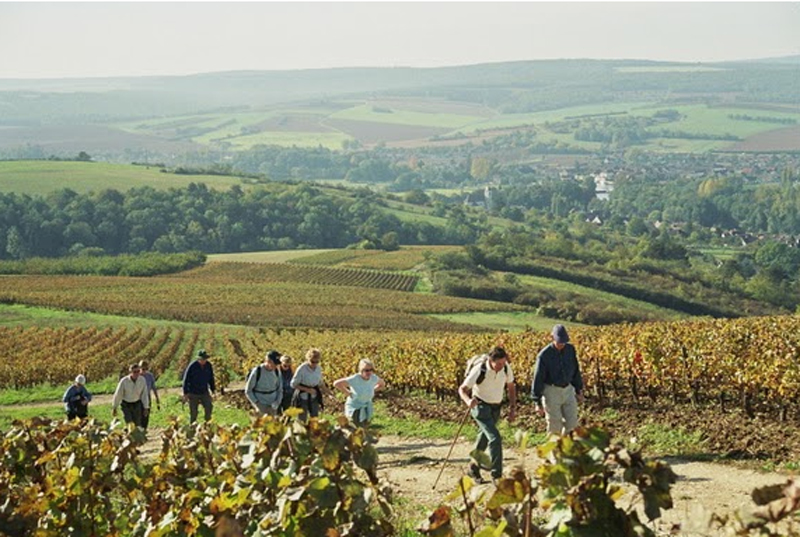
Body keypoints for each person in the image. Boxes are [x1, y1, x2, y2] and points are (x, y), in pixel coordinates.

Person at [459, 346, 516, 485]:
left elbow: (511, 386)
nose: (502, 366)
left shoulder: (506, 368)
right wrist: (468, 401)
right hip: (481, 407)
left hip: (496, 407)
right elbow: (462, 389)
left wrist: (512, 408)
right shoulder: (479, 369)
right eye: (499, 364)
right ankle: (497, 475)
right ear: (491, 360)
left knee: (484, 438)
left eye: (503, 363)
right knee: (495, 438)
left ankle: (473, 467)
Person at [531, 324, 585, 435]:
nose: (562, 344)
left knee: (572, 424)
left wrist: (579, 389)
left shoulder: (570, 350)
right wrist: (537, 401)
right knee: (554, 425)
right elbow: (538, 377)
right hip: (551, 391)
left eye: (564, 342)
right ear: (552, 338)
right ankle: (554, 450)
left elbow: (575, 369)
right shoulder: (544, 355)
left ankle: (566, 448)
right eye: (559, 342)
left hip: (568, 390)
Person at [333, 358, 386, 427]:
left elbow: (382, 384)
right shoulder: (355, 379)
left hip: (366, 408)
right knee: (354, 429)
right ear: (361, 370)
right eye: (366, 370)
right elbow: (336, 383)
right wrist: (347, 392)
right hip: (354, 409)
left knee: (364, 430)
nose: (369, 372)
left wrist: (372, 390)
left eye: (371, 370)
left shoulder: (373, 378)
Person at [290, 348, 328, 421]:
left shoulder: (318, 369)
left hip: (314, 397)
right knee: (302, 420)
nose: (314, 364)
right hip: (302, 398)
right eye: (312, 361)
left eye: (317, 362)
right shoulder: (301, 369)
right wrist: (307, 389)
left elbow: (320, 383)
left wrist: (329, 393)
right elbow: (293, 384)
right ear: (308, 359)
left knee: (315, 419)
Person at [182, 349, 216, 423]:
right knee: (193, 412)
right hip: (193, 392)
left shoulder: (208, 366)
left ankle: (208, 424)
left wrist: (213, 390)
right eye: (202, 359)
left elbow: (211, 378)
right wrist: (185, 393)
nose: (204, 361)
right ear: (198, 359)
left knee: (209, 407)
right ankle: (193, 426)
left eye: (205, 359)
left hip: (204, 391)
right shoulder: (192, 366)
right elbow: (186, 380)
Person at [245, 351, 283, 416]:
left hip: (273, 405)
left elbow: (280, 390)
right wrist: (257, 403)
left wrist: (277, 402)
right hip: (260, 404)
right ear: (268, 361)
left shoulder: (277, 371)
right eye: (275, 364)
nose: (276, 366)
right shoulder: (257, 371)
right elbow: (248, 391)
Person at [138, 360, 160, 431]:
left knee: (146, 414)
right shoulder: (137, 376)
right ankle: (140, 429)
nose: (143, 370)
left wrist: (157, 399)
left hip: (147, 397)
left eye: (145, 369)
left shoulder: (150, 376)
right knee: (139, 414)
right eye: (142, 369)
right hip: (138, 398)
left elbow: (154, 387)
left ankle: (144, 429)